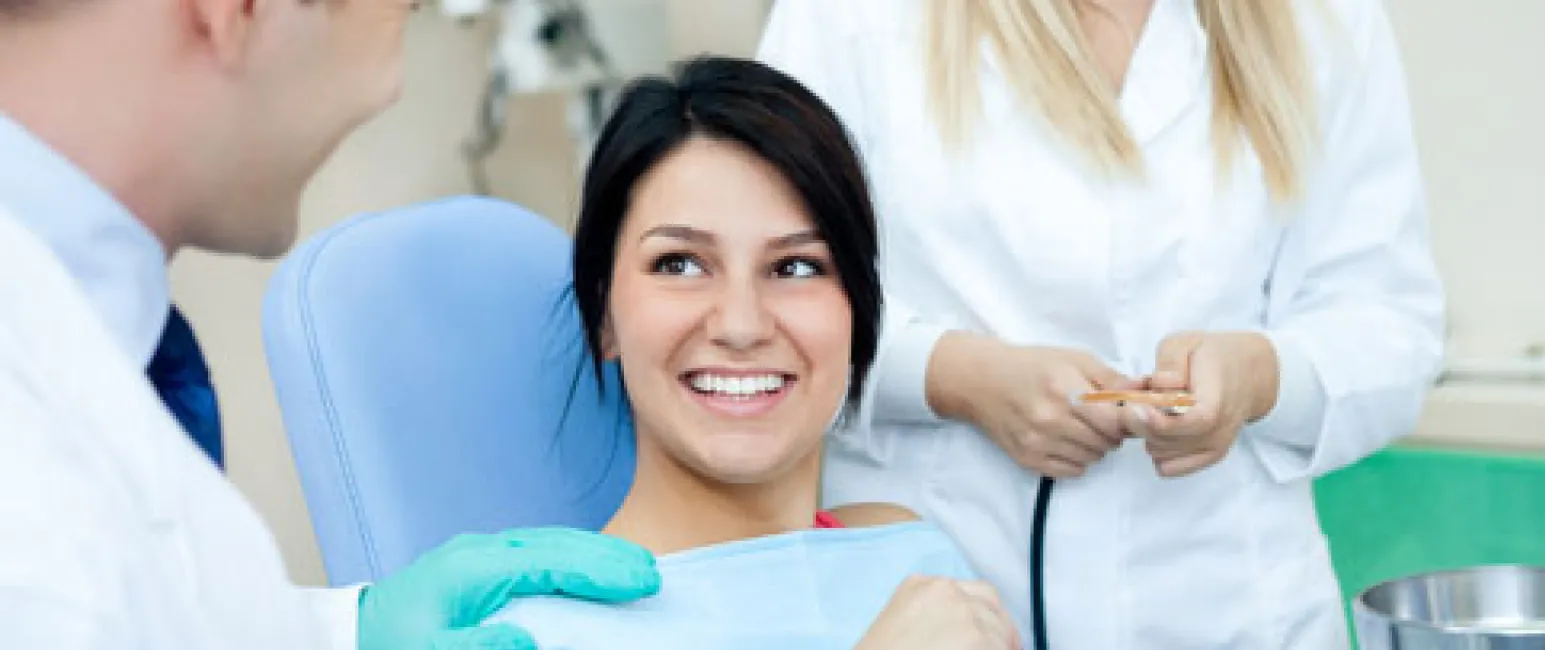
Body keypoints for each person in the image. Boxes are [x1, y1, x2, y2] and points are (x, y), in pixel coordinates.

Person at [757, 1, 1445, 649]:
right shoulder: (847, 16)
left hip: (1237, 611)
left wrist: (1258, 377)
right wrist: (958, 378)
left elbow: (1388, 324)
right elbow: (769, 297)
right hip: (935, 609)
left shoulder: (1321, 18)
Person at [0, 1, 661, 649]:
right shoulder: (33, 500)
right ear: (237, 11)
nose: (385, 92)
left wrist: (345, 632)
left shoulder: (74, 327)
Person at [485, 55, 1021, 650]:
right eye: (680, 264)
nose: (741, 325)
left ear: (858, 313)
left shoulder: (917, 568)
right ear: (605, 313)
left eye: (795, 267)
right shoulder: (533, 635)